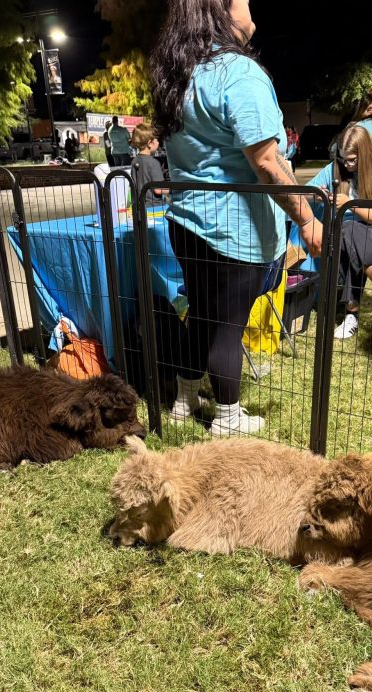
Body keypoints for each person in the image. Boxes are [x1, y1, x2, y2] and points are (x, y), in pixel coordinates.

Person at [151, 0, 323, 435]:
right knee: (227, 325)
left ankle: (184, 403)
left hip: (186, 221)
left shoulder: (180, 74)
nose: (253, 15)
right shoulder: (239, 73)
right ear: (221, 11)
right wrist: (306, 219)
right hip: (233, 229)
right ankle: (227, 418)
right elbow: (266, 161)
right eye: (245, 3)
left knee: (203, 315)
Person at [305, 125, 372, 339]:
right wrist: (319, 195)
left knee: (349, 233)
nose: (346, 165)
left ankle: (350, 314)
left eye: (352, 160)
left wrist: (350, 205)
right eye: (343, 159)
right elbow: (306, 192)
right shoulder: (335, 168)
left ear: (364, 154)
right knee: (348, 231)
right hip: (347, 235)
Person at [130, 123, 169, 206]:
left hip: (140, 206)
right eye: (157, 140)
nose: (158, 143)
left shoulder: (134, 161)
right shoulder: (154, 163)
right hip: (155, 207)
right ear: (150, 143)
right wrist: (174, 189)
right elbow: (158, 189)